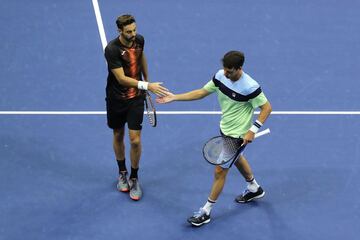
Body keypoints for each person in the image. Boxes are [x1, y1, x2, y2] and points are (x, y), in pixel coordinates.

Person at [157, 50, 272, 226]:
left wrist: (253, 130)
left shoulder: (250, 86)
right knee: (237, 158)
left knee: (220, 171)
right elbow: (202, 92)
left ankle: (206, 211)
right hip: (225, 129)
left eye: (230, 71)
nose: (226, 73)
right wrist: (175, 97)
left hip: (237, 135)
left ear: (239, 68)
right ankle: (254, 188)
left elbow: (267, 108)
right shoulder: (220, 76)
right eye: (224, 69)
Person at [104, 14, 168, 201]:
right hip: (116, 99)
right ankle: (122, 172)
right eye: (128, 31)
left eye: (134, 30)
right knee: (118, 134)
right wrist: (147, 86)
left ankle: (134, 176)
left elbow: (141, 58)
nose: (133, 34)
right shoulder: (112, 49)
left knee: (135, 141)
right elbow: (122, 79)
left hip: (135, 99)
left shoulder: (139, 40)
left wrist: (146, 80)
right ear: (120, 31)